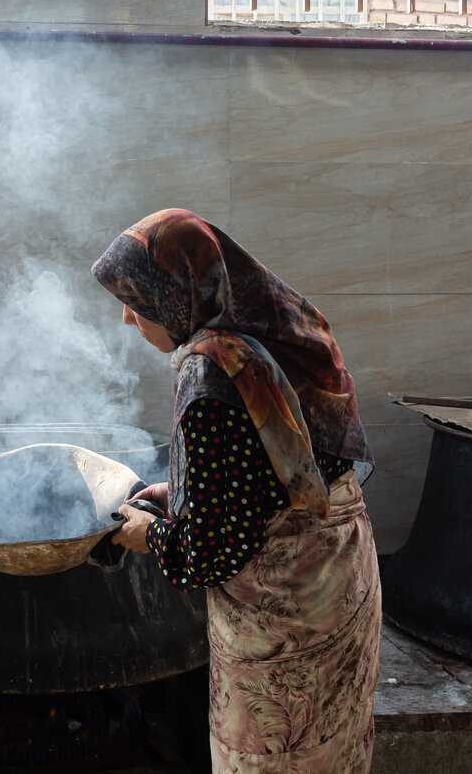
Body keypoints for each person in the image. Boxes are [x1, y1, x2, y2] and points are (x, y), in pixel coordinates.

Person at [93, 208, 380, 772]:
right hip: (341, 574)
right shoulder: (277, 327)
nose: (129, 319)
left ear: (178, 292)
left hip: (285, 618)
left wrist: (144, 533)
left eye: (138, 299)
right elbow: (277, 471)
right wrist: (183, 493)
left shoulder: (210, 372)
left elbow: (206, 555)